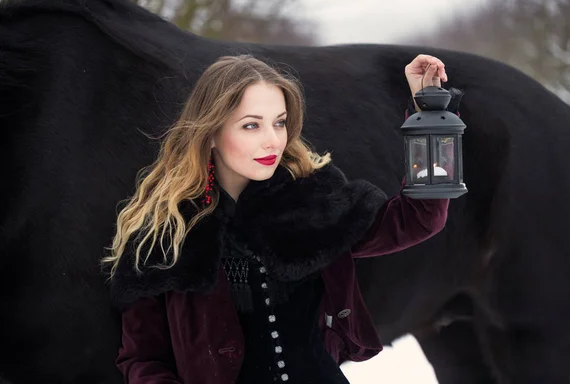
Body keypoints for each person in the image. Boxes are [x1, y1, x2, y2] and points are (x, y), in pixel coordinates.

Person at [103, 53, 455, 384]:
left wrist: (430, 117)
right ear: (210, 132)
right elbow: (143, 359)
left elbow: (419, 219)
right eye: (251, 126)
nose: (273, 141)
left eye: (280, 123)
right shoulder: (164, 236)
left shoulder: (314, 204)